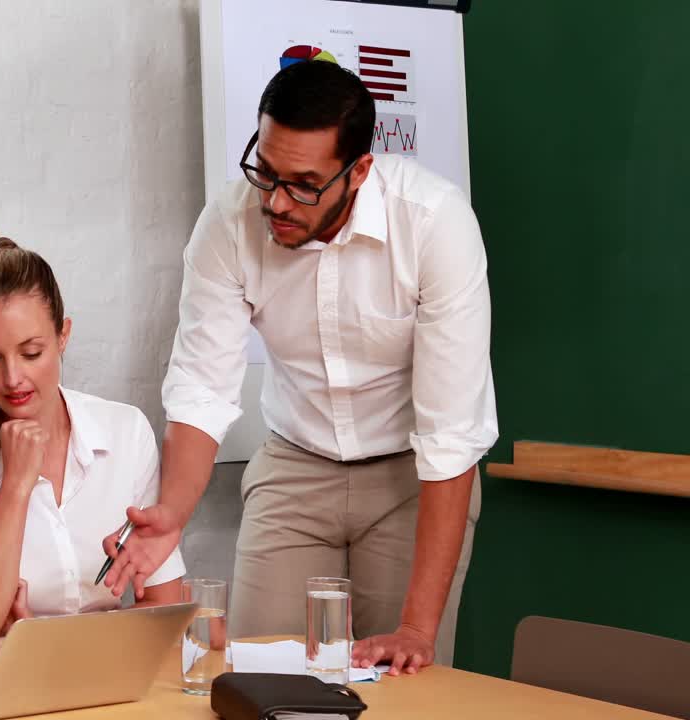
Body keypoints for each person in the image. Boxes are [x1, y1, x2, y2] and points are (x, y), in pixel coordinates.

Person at [100, 59, 496, 675]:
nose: (277, 201)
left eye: (304, 184)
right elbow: (202, 388)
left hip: (411, 477)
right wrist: (173, 513)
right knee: (260, 680)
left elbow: (450, 435)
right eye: (265, 172)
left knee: (402, 684)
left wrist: (418, 629)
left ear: (358, 171)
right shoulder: (229, 224)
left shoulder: (434, 223)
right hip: (294, 463)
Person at [0, 239, 186, 641]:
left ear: (63, 335)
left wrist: (44, 640)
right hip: (2, 674)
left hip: (111, 665)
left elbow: (164, 606)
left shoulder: (126, 431)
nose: (12, 379)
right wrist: (15, 487)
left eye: (31, 353)